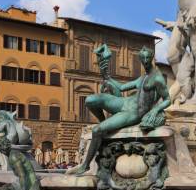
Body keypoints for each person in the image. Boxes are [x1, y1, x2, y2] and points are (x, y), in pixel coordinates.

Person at [67, 47, 170, 176]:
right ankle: (104, 123)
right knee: (90, 100)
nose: (145, 61)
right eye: (142, 58)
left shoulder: (158, 78)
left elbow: (167, 100)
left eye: (147, 58)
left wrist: (155, 111)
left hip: (134, 113)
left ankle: (85, 166)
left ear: (152, 58)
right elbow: (121, 87)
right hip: (125, 102)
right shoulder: (142, 77)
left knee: (96, 130)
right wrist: (106, 75)